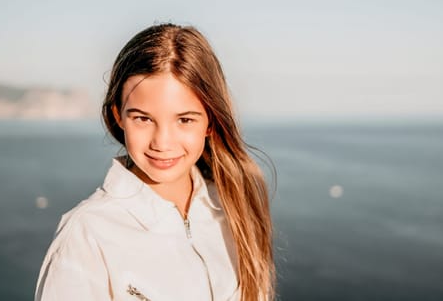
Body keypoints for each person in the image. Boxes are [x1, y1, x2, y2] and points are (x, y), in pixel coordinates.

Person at [34, 23, 275, 301]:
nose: (162, 143)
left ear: (211, 121)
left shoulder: (236, 208)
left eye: (184, 119)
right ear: (118, 116)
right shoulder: (86, 235)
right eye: (143, 118)